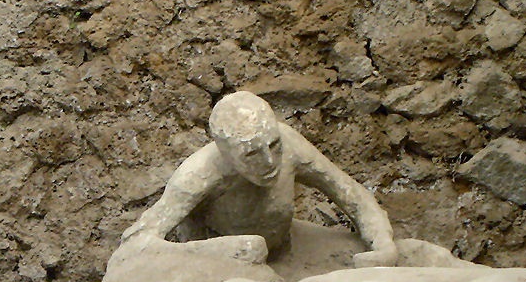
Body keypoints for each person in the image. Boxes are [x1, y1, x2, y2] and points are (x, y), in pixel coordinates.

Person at [122, 91, 399, 268]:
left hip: (287, 251)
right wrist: (227, 251)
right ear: (226, 153)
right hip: (220, 271)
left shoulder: (289, 143)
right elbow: (138, 243)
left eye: (273, 145)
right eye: (252, 153)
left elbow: (349, 192)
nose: (269, 162)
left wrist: (382, 243)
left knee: (411, 255)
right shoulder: (198, 174)